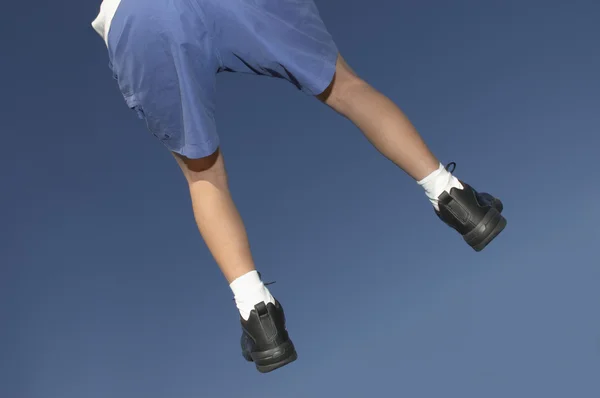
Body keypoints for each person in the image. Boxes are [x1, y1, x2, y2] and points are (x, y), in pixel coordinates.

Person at [92, 0, 506, 373]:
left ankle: (259, 317)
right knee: (345, 86)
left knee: (203, 176)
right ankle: (458, 202)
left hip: (138, 15)